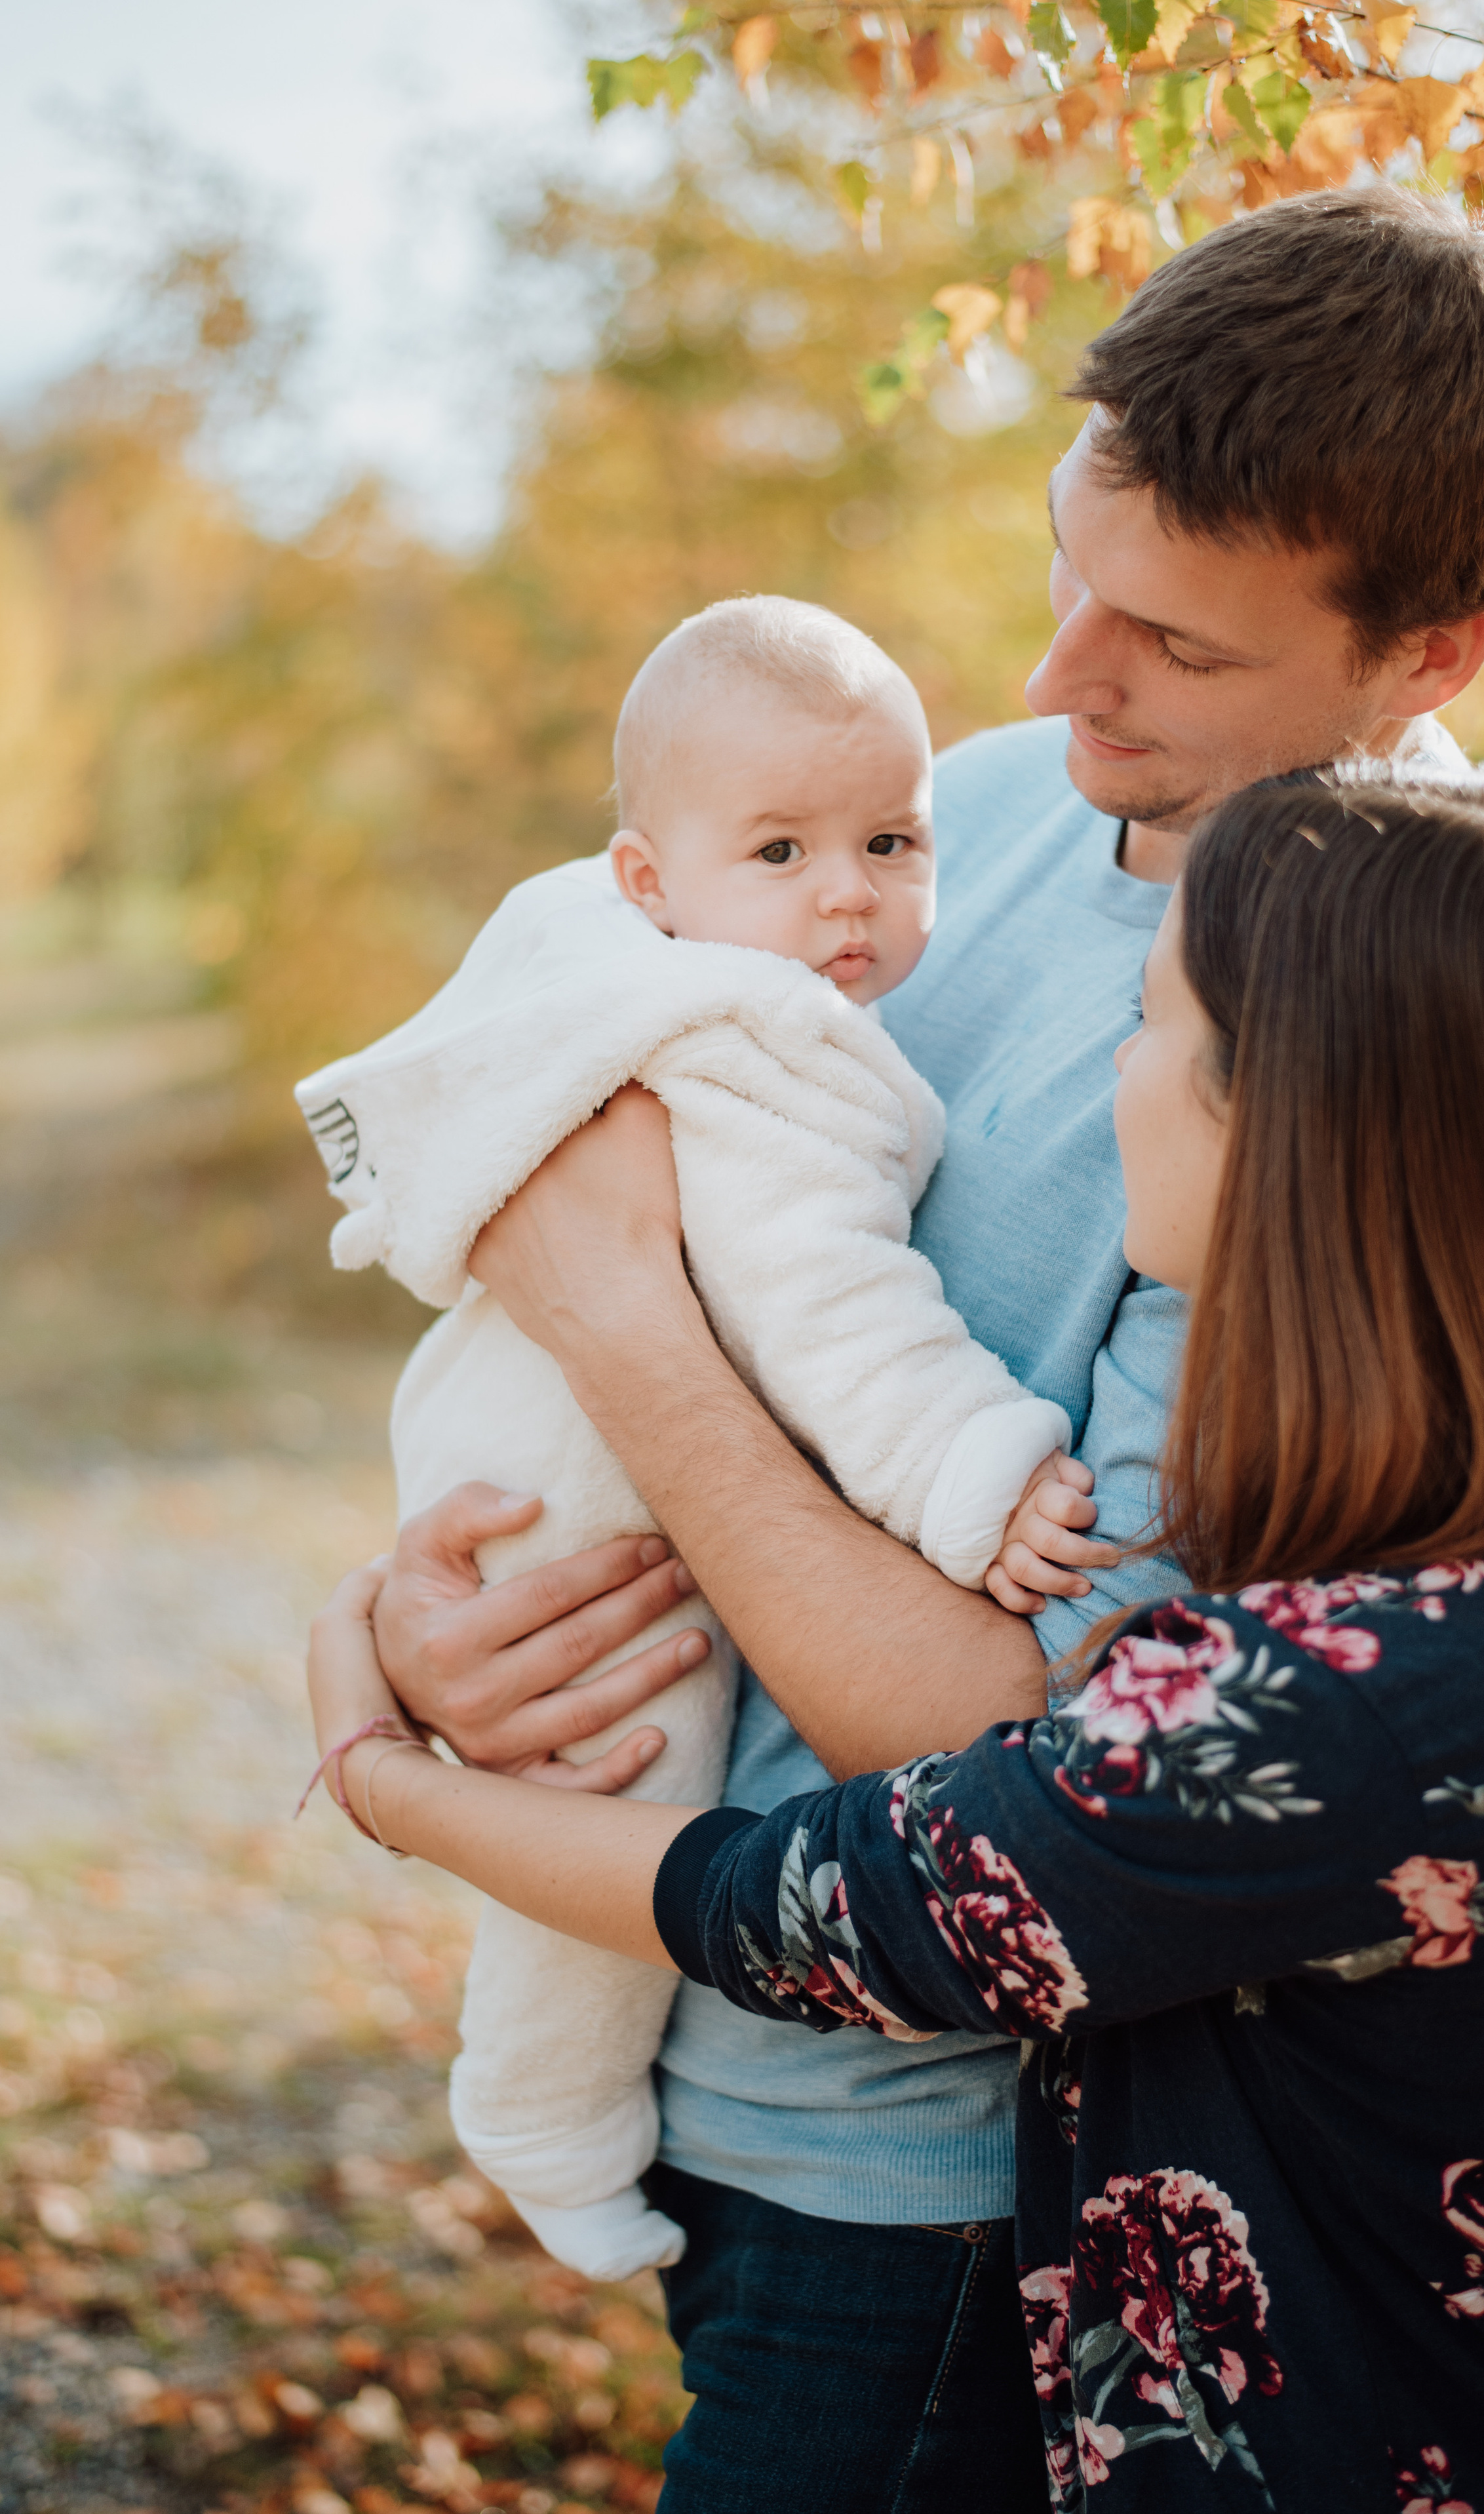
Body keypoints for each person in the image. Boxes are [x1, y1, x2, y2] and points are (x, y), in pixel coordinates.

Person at [359, 189, 1484, 2507]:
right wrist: (402, 1625)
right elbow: (566, 1171)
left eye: (1169, 646)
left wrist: (623, 1326)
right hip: (691, 2030)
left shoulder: (1359, 1060)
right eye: (1069, 566)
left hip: (930, 2160)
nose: (1054, 680)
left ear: (1431, 650)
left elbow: (1038, 1742)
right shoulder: (937, 831)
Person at [310, 771, 1484, 2511]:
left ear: (1295, 1129)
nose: (1112, 1064)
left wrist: (373, 1771)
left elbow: (823, 1899)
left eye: (1157, 1023)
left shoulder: (1356, 1690)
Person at [294, 593, 1089, 2285]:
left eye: (889, 842)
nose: (847, 896)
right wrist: (982, 1477)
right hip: (581, 1478)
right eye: (784, 852)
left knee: (579, 1775)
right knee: (618, 1765)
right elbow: (836, 1316)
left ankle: (542, 2103)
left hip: (505, 1409)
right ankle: (541, 2107)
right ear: (652, 882)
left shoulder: (615, 962)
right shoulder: (759, 1041)